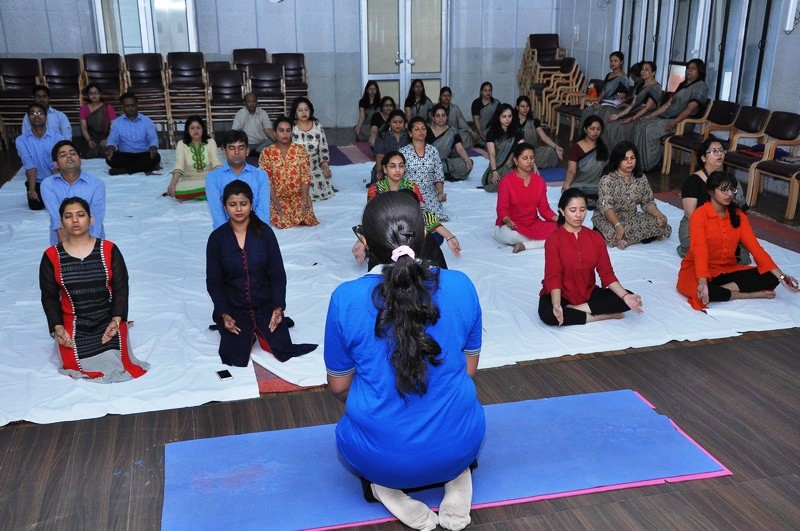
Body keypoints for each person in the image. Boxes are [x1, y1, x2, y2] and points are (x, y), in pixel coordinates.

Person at [325, 191, 484, 531]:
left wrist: (383, 393)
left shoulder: (345, 298)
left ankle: (385, 486)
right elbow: (468, 370)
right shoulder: (461, 285)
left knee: (352, 435)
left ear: (364, 241)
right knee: (456, 420)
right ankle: (457, 473)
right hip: (459, 444)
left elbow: (339, 387)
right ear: (424, 234)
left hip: (382, 457)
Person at [206, 180, 317, 367]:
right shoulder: (217, 239)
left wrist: (278, 307)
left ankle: (269, 323)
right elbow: (214, 282)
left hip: (265, 305)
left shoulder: (265, 233)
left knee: (282, 348)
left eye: (243, 204)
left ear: (251, 204)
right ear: (225, 207)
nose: (238, 209)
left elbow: (278, 274)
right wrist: (224, 314)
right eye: (232, 204)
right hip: (234, 307)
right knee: (233, 354)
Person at [39, 197, 150, 382]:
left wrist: (116, 320)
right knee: (74, 362)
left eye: (80, 215)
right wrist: (58, 327)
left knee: (116, 359)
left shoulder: (109, 249)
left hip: (107, 319)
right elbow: (49, 296)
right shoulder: (51, 256)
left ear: (91, 220)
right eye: (68, 216)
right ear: (61, 223)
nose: (75, 220)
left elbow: (121, 288)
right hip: (73, 322)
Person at [676, 171, 799, 311]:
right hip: (697, 270)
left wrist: (782, 277)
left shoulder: (738, 215)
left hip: (727, 270)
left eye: (732, 190)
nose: (729, 194)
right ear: (710, 191)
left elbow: (755, 248)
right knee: (698, 290)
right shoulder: (699, 215)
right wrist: (702, 281)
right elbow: (700, 250)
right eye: (724, 190)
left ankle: (716, 292)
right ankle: (745, 294)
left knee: (772, 276)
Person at [539, 188, 644, 326]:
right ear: (562, 211)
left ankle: (575, 310)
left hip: (588, 293)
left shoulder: (595, 237)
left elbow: (606, 274)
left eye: (582, 210)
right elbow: (553, 276)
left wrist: (625, 296)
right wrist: (557, 304)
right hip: (561, 294)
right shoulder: (554, 240)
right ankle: (599, 316)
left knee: (627, 298)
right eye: (573, 210)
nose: (578, 215)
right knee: (548, 313)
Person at [354, 151, 461, 269]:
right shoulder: (376, 189)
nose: (397, 170)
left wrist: (449, 236)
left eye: (401, 166)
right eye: (392, 166)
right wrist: (362, 240)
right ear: (384, 169)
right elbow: (372, 217)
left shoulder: (411, 187)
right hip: (386, 231)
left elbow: (423, 212)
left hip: (408, 230)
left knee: (436, 237)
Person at [677, 138, 750, 263]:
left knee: (743, 259)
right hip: (697, 228)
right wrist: (714, 234)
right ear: (703, 158)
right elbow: (690, 215)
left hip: (724, 227)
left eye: (721, 150)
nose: (719, 154)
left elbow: (740, 211)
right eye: (714, 151)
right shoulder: (693, 181)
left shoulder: (731, 180)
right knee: (707, 255)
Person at [631, 58, 709, 171]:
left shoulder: (700, 86)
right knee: (640, 123)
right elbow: (668, 104)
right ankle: (639, 162)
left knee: (649, 129)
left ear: (699, 71)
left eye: (693, 69)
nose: (689, 70)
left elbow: (691, 108)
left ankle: (653, 163)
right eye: (688, 68)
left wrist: (675, 121)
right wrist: (651, 115)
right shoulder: (683, 84)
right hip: (668, 117)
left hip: (683, 122)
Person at [592, 141, 671, 249]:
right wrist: (618, 225)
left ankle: (627, 240)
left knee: (658, 223)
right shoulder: (607, 180)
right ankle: (642, 237)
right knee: (613, 230)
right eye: (625, 159)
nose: (630, 162)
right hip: (607, 217)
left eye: (632, 158)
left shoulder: (641, 178)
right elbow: (607, 208)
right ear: (617, 160)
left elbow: (648, 202)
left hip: (630, 216)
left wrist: (658, 215)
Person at [494, 143, 558, 253]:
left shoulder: (539, 181)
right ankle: (539, 241)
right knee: (510, 235)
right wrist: (507, 220)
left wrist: (561, 220)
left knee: (562, 229)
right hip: (513, 226)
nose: (529, 161)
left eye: (531, 158)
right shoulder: (506, 182)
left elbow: (544, 209)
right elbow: (502, 209)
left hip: (533, 224)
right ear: (516, 160)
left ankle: (526, 245)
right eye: (525, 158)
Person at [41, 140, 106, 245]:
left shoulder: (96, 184)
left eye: (73, 153)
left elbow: (96, 220)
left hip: (92, 240)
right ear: (56, 164)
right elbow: (58, 220)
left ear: (80, 160)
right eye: (63, 155)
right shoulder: (48, 184)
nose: (69, 156)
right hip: (62, 241)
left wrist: (92, 248)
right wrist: (65, 250)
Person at [259, 116, 318, 229]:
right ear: (275, 133)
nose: (285, 134)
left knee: (305, 217)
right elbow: (266, 180)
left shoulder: (300, 150)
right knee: (281, 221)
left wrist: (304, 198)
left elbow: (305, 176)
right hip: (277, 198)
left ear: (292, 132)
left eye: (288, 130)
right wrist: (275, 201)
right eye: (281, 130)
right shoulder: (266, 152)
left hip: (298, 196)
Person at [206, 129, 271, 229]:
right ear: (224, 151)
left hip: (256, 230)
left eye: (241, 148)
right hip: (226, 232)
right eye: (231, 148)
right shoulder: (213, 177)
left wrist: (254, 233)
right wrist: (229, 235)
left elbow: (263, 212)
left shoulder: (260, 175)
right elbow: (218, 214)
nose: (236, 152)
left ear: (247, 150)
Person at [604, 61, 663, 150]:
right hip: (635, 111)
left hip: (646, 115)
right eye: (642, 69)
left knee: (621, 127)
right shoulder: (640, 85)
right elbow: (632, 105)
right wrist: (618, 115)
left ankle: (626, 152)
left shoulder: (656, 87)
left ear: (653, 72)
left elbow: (647, 108)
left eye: (647, 69)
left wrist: (633, 118)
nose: (643, 71)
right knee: (612, 123)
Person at [16, 103, 65, 210]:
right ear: (28, 118)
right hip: (36, 181)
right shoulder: (21, 140)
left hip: (55, 178)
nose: (36, 116)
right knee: (35, 206)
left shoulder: (58, 138)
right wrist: (32, 190)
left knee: (60, 204)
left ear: (46, 117)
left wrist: (57, 188)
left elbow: (55, 166)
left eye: (40, 113)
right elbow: (29, 166)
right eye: (32, 113)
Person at [400, 117, 449, 221]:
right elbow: (398, 175)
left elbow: (438, 174)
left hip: (429, 193)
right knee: (413, 218)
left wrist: (440, 192)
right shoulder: (403, 152)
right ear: (410, 133)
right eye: (416, 129)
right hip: (410, 193)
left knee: (436, 219)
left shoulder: (433, 150)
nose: (421, 131)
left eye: (423, 128)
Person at [167, 116, 222, 201]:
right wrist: (172, 184)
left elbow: (216, 162)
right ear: (187, 130)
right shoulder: (181, 144)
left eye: (198, 128)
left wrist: (223, 178)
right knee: (178, 189)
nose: (195, 131)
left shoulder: (211, 142)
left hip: (208, 179)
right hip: (189, 181)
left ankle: (195, 194)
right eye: (192, 128)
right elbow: (179, 164)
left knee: (222, 184)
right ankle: (209, 194)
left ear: (203, 129)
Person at [105, 92, 161, 175]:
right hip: (125, 155)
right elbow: (113, 139)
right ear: (122, 107)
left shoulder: (147, 121)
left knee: (156, 157)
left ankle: (124, 170)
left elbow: (153, 138)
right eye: (127, 106)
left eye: (132, 105)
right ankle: (145, 168)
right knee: (110, 158)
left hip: (143, 154)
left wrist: (153, 147)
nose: (130, 108)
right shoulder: (116, 123)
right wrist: (110, 148)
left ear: (137, 105)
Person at [290, 97, 334, 201]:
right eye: (300, 110)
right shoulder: (291, 127)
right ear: (295, 113)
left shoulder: (317, 126)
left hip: (314, 165)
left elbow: (323, 147)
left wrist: (325, 166)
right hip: (296, 165)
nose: (304, 112)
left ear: (310, 111)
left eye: (306, 109)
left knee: (321, 182)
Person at [562, 115, 609, 207]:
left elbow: (607, 170)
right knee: (571, 192)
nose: (595, 132)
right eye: (592, 128)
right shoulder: (576, 148)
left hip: (597, 186)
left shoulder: (602, 148)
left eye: (598, 129)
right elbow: (571, 170)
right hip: (580, 185)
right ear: (585, 129)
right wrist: (566, 185)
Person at [481, 103, 524, 193]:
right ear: (498, 117)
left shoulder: (516, 131)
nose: (507, 119)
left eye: (509, 116)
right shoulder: (492, 133)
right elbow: (492, 154)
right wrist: (494, 171)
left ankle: (509, 183)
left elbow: (523, 150)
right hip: (498, 168)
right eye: (504, 116)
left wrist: (533, 165)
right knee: (504, 175)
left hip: (513, 168)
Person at [580, 51, 631, 125]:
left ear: (621, 62)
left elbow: (622, 96)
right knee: (587, 111)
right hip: (604, 102)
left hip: (613, 105)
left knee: (598, 113)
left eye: (615, 61)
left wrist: (605, 103)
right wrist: (598, 101)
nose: (612, 63)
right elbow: (604, 91)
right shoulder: (609, 75)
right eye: (611, 61)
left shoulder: (623, 78)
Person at [427, 104, 474, 181]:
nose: (441, 118)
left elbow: (460, 149)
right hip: (430, 162)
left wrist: (466, 159)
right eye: (438, 116)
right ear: (433, 118)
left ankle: (440, 174)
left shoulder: (453, 131)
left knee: (468, 163)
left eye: (443, 115)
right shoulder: (426, 131)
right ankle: (445, 174)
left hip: (446, 162)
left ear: (447, 117)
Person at [514, 95, 562, 169]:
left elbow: (543, 136)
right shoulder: (512, 121)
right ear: (517, 107)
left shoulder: (534, 121)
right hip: (518, 153)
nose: (525, 109)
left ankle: (529, 164)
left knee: (550, 151)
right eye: (522, 106)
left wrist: (556, 146)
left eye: (527, 106)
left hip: (533, 153)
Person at [79, 83, 117, 159]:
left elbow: (114, 127)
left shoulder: (108, 107)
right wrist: (89, 140)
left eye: (96, 93)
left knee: (110, 153)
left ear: (100, 94)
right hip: (92, 139)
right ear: (88, 95)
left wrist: (107, 139)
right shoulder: (84, 108)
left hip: (107, 138)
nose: (94, 95)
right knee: (90, 153)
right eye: (91, 93)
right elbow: (84, 128)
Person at [373, 109, 411, 182]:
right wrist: (379, 171)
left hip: (406, 168)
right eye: (395, 122)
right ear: (389, 123)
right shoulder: (383, 136)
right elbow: (380, 155)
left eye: (400, 122)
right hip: (387, 168)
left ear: (405, 123)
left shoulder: (409, 135)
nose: (398, 125)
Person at [471, 81, 499, 146]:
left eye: (489, 90)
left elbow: (498, 118)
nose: (488, 92)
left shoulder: (496, 103)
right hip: (479, 131)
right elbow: (476, 118)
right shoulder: (476, 103)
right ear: (481, 92)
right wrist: (480, 132)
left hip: (492, 130)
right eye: (485, 90)